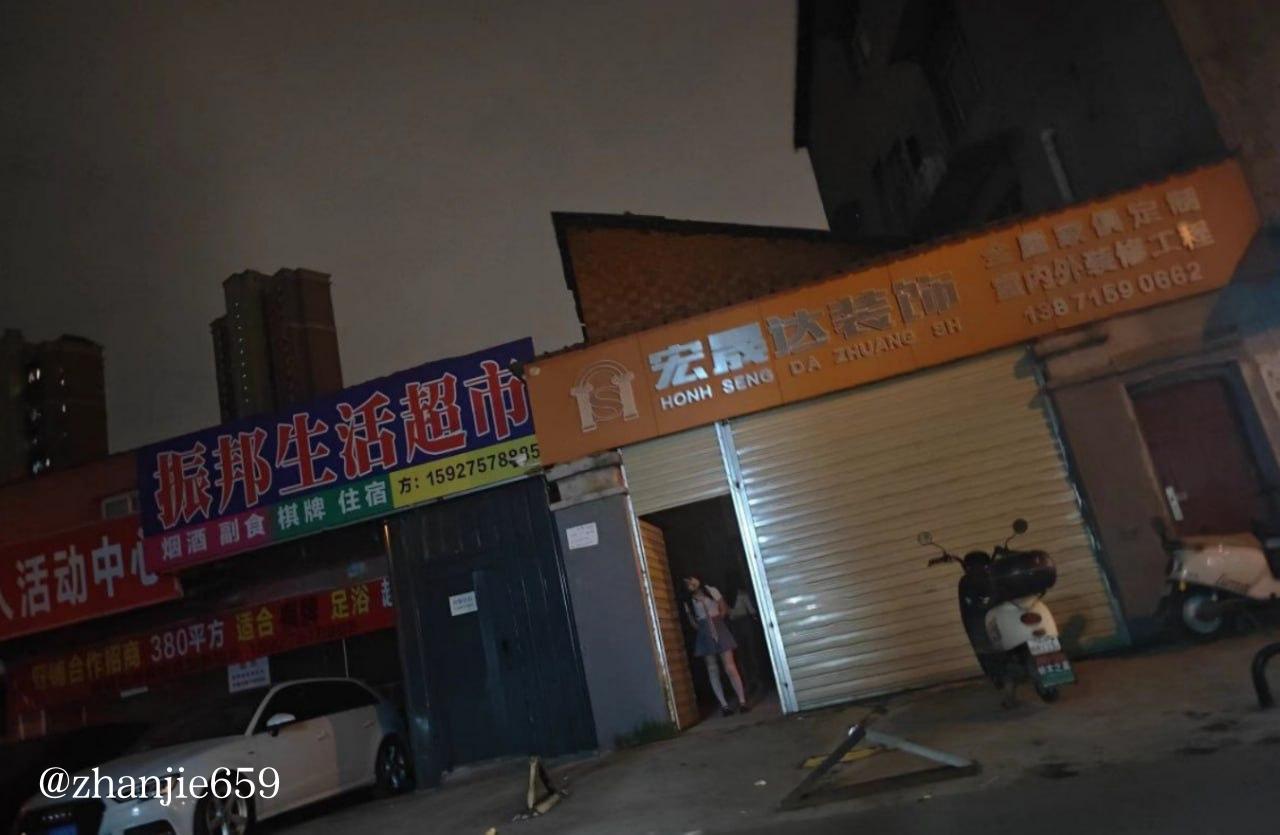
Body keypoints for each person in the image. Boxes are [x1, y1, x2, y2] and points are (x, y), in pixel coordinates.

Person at [682, 574, 749, 716]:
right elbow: (692, 620)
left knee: (730, 667)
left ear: (697, 579)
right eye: (686, 583)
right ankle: (724, 705)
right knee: (712, 669)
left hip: (719, 626)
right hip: (704, 631)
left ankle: (742, 701)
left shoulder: (711, 590)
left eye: (690, 580)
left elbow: (723, 608)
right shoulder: (688, 600)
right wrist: (702, 628)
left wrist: (717, 621)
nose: (689, 584)